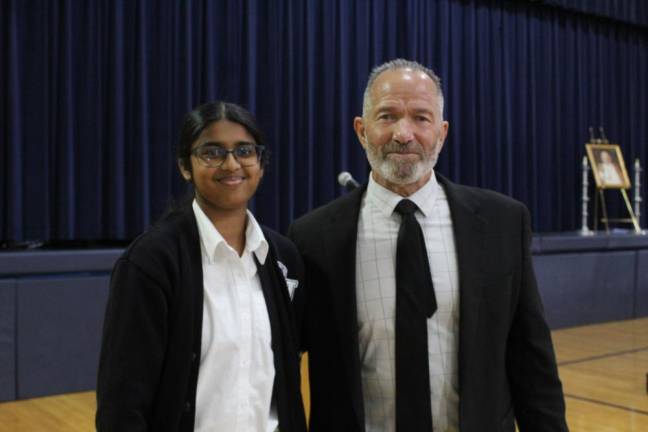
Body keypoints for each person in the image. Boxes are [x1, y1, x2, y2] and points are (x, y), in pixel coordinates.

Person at [288, 59, 568, 431]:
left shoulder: (502, 223)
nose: (404, 133)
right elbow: (283, 363)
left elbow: (531, 360)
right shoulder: (312, 238)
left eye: (421, 118)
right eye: (387, 116)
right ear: (361, 130)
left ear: (442, 132)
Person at [96, 101, 307, 432]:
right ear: (185, 166)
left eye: (244, 151)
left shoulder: (283, 256)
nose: (231, 163)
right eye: (212, 152)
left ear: (261, 164)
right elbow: (121, 400)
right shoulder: (151, 262)